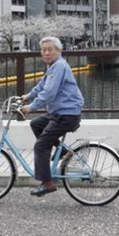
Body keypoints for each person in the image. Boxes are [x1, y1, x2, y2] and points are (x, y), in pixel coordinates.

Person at [21, 36, 84, 197]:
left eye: (50, 49)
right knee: (36, 124)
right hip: (60, 113)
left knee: (41, 146)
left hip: (66, 115)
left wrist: (31, 107)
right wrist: (27, 96)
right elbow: (42, 85)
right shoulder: (54, 66)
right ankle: (62, 151)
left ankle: (47, 183)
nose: (47, 53)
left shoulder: (59, 66)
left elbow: (49, 93)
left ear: (58, 51)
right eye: (44, 50)